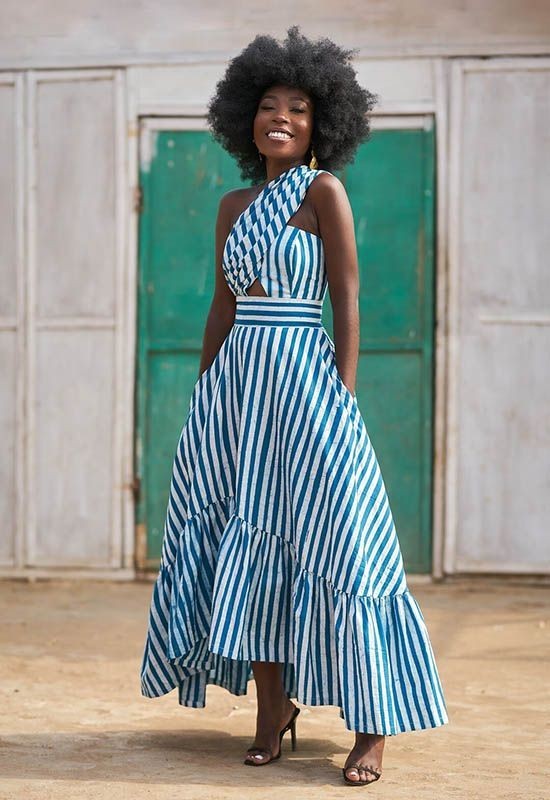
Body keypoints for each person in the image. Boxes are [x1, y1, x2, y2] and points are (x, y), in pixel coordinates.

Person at [140, 25, 448, 787]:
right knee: (255, 543)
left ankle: (374, 727)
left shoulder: (322, 193)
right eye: (268, 104)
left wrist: (341, 400)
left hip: (308, 388)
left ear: (321, 124)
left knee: (347, 545)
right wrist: (205, 397)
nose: (280, 115)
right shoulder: (233, 203)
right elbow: (222, 305)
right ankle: (271, 710)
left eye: (298, 106)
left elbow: (346, 301)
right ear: (245, 116)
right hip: (238, 395)